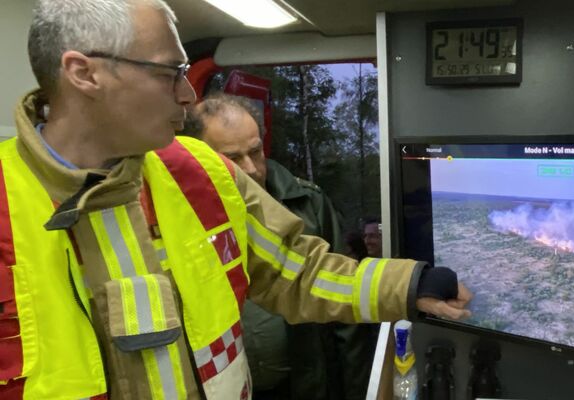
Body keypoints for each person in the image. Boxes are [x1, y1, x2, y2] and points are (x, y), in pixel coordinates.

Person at [0, 1, 472, 400]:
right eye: (170, 73)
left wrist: (411, 285)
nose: (188, 96)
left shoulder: (200, 172)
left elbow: (299, 272)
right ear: (84, 73)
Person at [183, 93, 376, 400]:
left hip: (304, 384)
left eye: (255, 152)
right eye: (232, 159)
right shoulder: (177, 215)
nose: (250, 169)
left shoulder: (307, 203)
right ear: (198, 159)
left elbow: (346, 315)